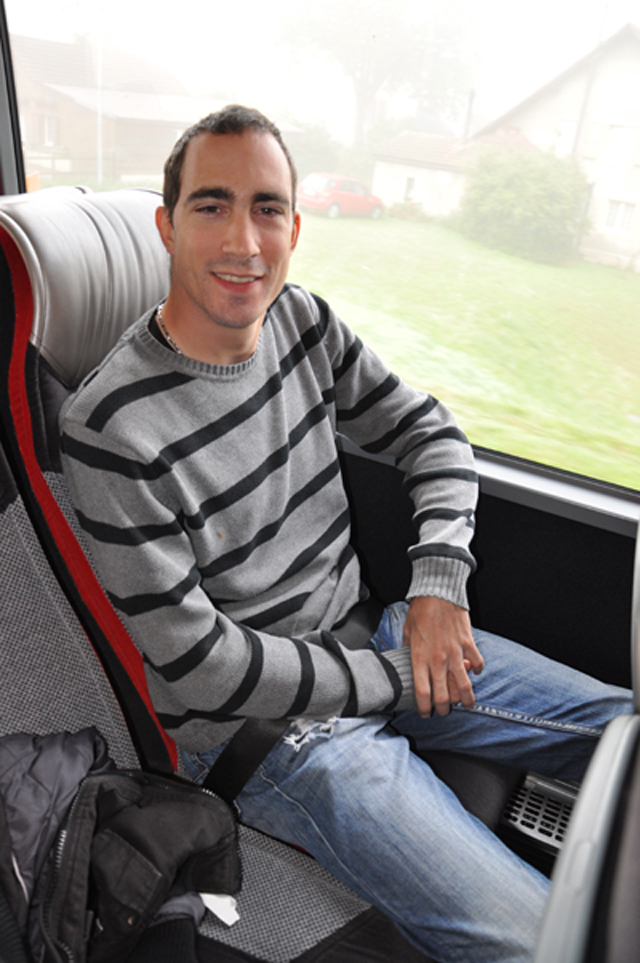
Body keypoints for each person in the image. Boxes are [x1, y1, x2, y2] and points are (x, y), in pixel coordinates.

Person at [59, 105, 631, 963]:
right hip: (275, 731)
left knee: (624, 729)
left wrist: (438, 586)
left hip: (376, 635)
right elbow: (201, 663)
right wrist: (393, 680)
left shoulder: (302, 322)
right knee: (552, 942)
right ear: (166, 226)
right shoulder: (109, 426)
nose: (244, 240)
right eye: (211, 205)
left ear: (294, 229)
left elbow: (432, 434)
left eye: (268, 208)